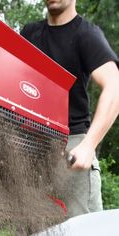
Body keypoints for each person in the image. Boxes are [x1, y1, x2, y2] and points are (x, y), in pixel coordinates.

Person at [20, 0, 119, 217]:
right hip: (32, 150)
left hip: (72, 149)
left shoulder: (86, 34)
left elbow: (115, 86)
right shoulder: (29, 33)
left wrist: (88, 145)